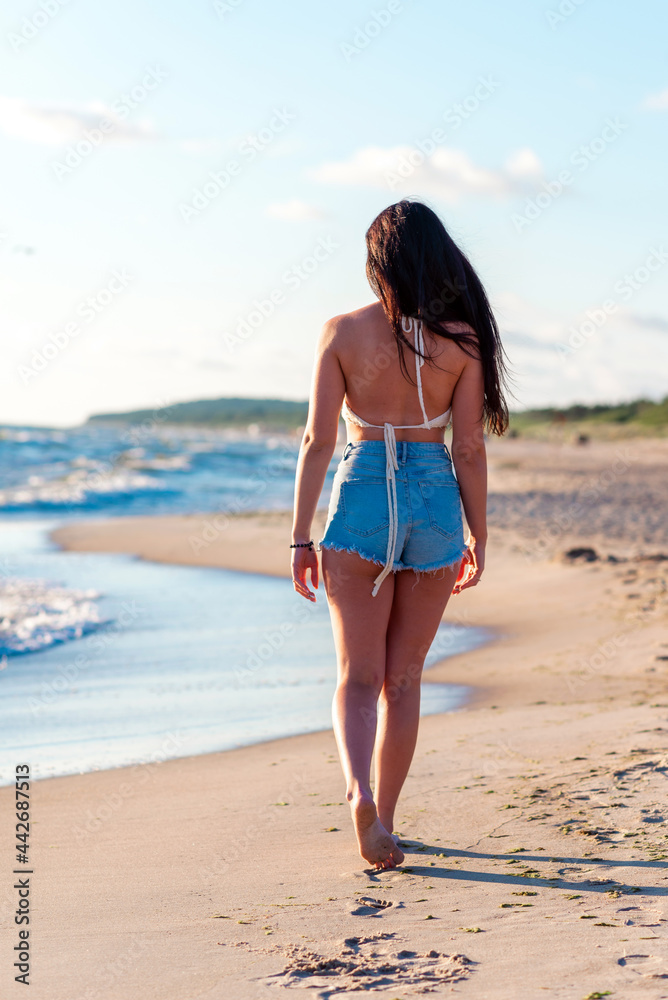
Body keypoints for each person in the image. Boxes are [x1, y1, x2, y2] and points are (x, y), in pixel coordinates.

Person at [290, 199, 509, 870]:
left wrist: (301, 537)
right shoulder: (464, 341)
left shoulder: (341, 333)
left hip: (361, 497)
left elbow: (317, 440)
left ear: (377, 263)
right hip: (435, 499)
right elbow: (468, 448)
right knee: (404, 681)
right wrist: (479, 533)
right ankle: (384, 818)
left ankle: (356, 793)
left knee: (358, 677)